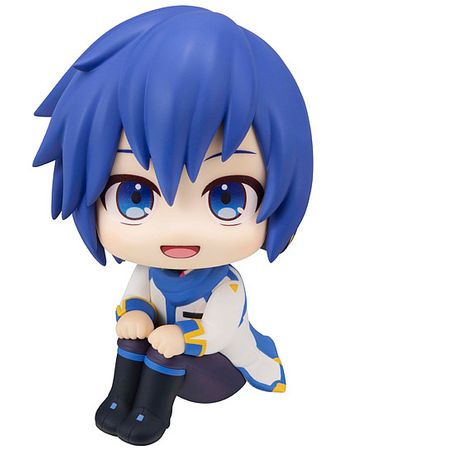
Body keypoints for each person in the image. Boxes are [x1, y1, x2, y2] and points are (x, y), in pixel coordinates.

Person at [33, 6, 312, 445]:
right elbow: (136, 297)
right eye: (136, 196)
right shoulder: (148, 271)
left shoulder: (225, 285)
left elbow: (219, 329)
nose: (178, 229)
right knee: (135, 341)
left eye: (227, 197)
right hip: (162, 355)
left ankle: (152, 414)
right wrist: (136, 315)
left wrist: (181, 336)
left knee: (165, 350)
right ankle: (119, 402)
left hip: (217, 371)